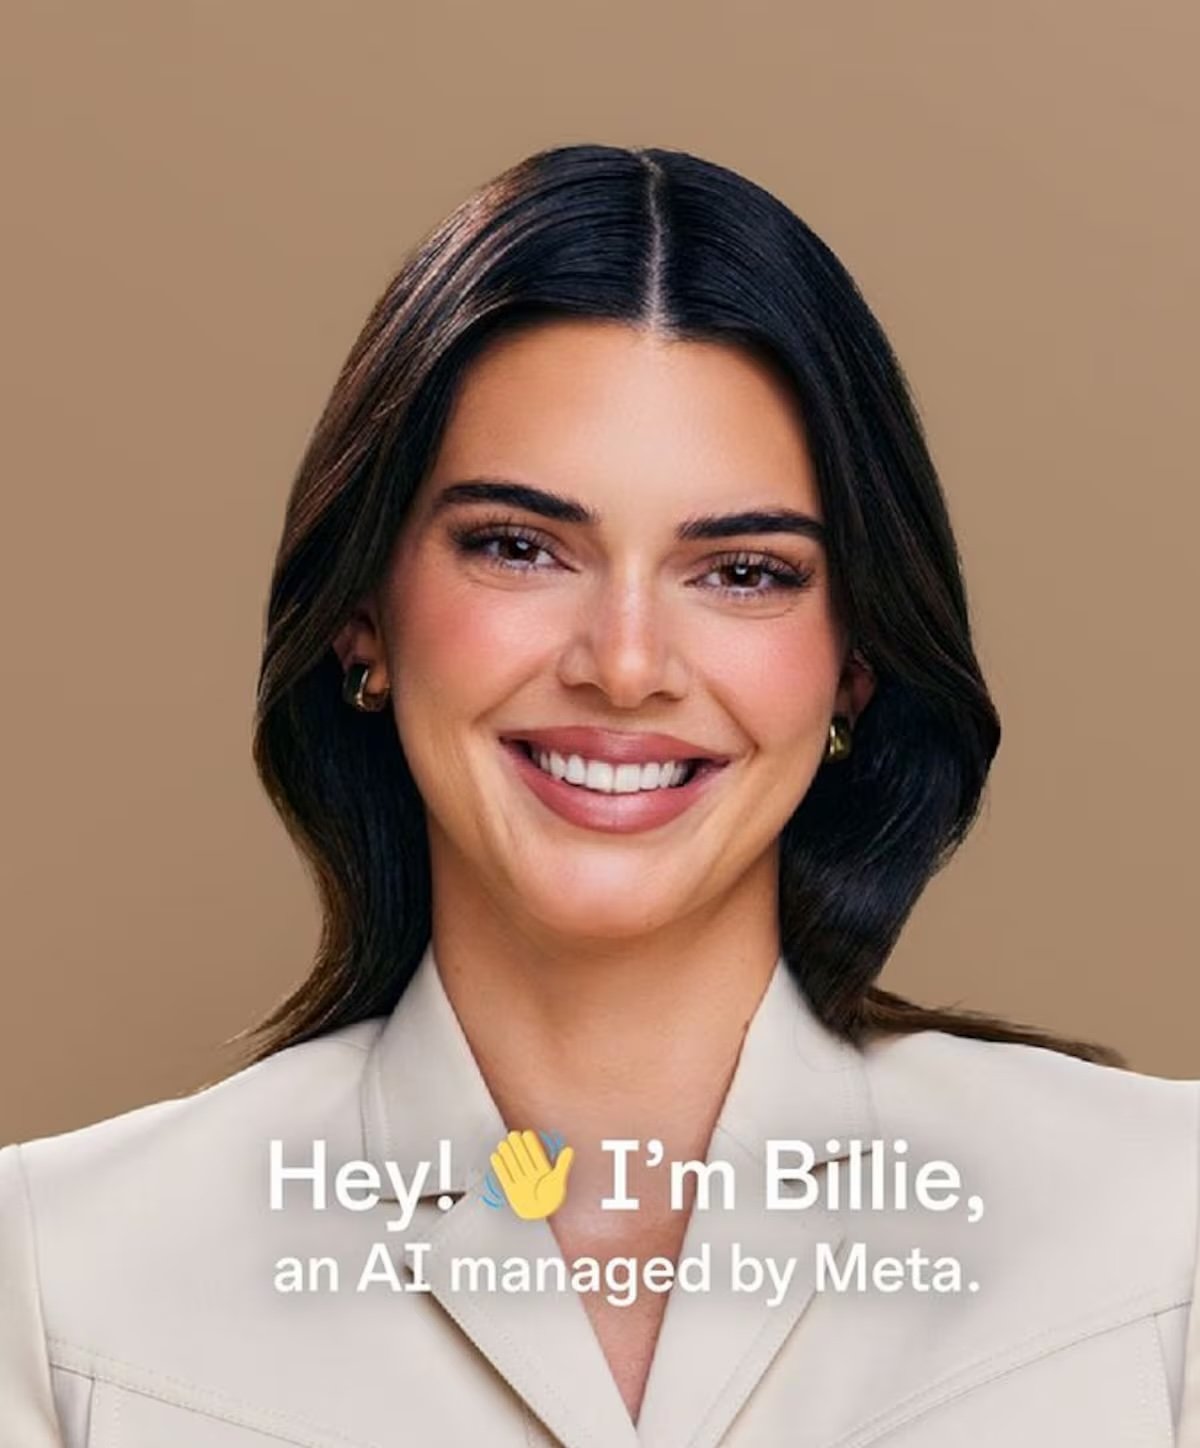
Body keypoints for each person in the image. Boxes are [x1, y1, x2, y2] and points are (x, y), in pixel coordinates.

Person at [2, 143, 1197, 1448]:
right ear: (365, 619)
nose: (625, 666)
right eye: (519, 547)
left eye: (741, 571)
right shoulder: (58, 1285)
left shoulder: (1160, 1229)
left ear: (855, 663)